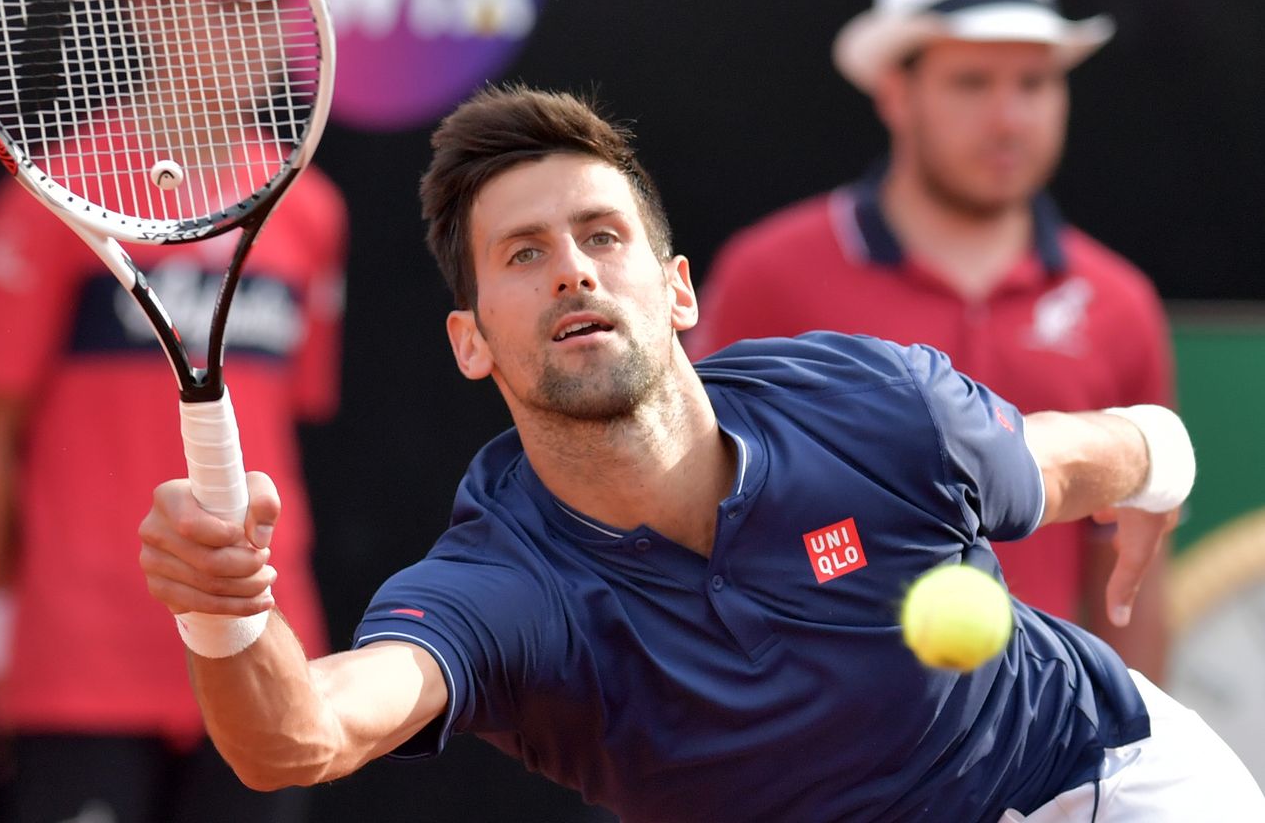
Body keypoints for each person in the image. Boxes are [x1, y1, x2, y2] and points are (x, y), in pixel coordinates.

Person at [137, 84, 1263, 821]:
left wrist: (1161, 458)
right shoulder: (504, 588)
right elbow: (300, 737)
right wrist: (224, 613)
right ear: (470, 342)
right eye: (523, 254)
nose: (573, 270)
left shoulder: (871, 406)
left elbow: (1072, 458)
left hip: (1093, 786)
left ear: (676, 290)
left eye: (601, 236)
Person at [0, 0, 347, 823]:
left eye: (278, 6)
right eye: (233, 5)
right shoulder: (51, 199)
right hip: (80, 669)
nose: (269, 34)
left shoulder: (309, 210)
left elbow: (291, 425)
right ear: (149, 6)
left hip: (268, 652)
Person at [687, 0, 1174, 679]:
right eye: (972, 82)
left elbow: (1129, 579)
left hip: (1047, 769)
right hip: (814, 758)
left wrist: (1135, 747)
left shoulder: (1121, 302)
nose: (1009, 117)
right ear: (894, 91)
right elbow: (691, 524)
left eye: (1036, 82)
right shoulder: (768, 275)